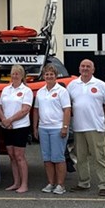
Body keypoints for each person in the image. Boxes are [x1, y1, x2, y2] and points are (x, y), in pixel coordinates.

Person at [66, 59, 105, 196]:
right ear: (79, 68)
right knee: (80, 157)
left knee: (99, 157)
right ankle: (83, 182)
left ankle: (104, 185)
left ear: (93, 70)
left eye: (88, 66)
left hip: (95, 126)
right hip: (78, 127)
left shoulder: (101, 85)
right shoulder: (72, 85)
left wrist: (100, 113)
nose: (85, 68)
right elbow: (67, 103)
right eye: (83, 66)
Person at [33, 63, 71, 195]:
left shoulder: (62, 91)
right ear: (44, 76)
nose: (49, 76)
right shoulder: (40, 92)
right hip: (44, 128)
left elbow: (67, 110)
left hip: (57, 128)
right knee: (47, 158)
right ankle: (51, 183)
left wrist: (65, 127)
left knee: (58, 158)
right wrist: (35, 127)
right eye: (47, 74)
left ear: (56, 76)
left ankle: (61, 184)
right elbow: (36, 110)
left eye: (51, 74)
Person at [0, 64, 34, 193]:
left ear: (22, 75)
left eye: (17, 73)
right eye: (13, 73)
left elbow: (25, 110)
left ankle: (24, 184)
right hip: (7, 127)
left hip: (20, 127)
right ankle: (16, 182)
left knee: (19, 156)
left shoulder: (26, 91)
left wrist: (10, 120)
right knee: (11, 155)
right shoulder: (6, 90)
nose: (14, 76)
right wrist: (4, 120)